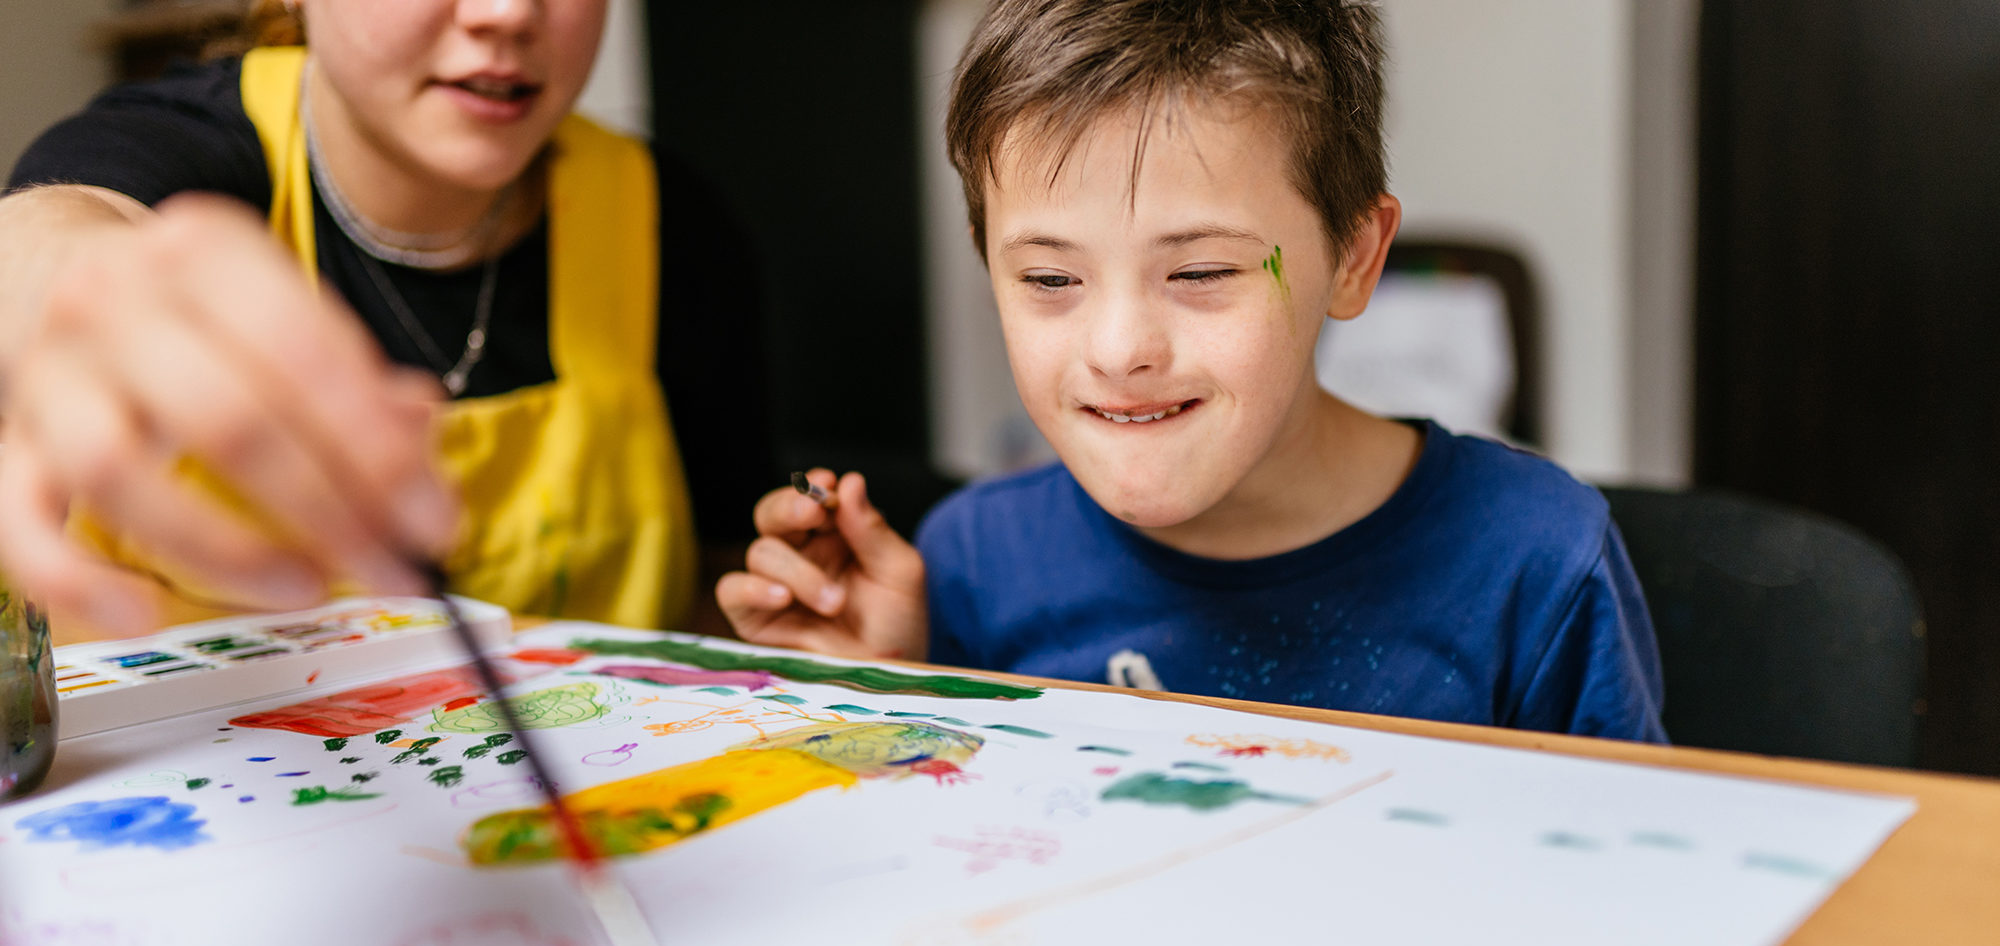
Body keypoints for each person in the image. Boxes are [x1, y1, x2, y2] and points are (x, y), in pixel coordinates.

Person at [718, 0, 1665, 740]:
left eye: (1202, 272)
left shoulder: (1535, 561)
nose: (1119, 347)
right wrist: (891, 693)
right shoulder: (970, 566)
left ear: (1351, 258)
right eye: (1050, 278)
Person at [0, 0, 771, 636]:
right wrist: (78, 279)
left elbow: (712, 585)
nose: (507, 14)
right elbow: (54, 232)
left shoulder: (668, 219)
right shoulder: (175, 146)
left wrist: (797, 639)